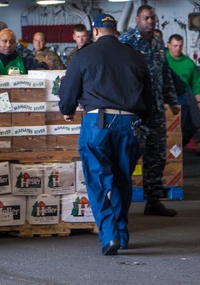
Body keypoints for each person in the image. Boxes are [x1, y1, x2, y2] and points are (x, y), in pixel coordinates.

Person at [59, 14, 153, 256]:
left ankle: (110, 236)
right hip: (130, 123)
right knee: (122, 179)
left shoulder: (83, 55)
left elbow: (68, 92)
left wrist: (67, 110)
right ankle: (122, 234)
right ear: (116, 30)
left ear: (95, 32)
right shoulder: (135, 56)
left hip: (97, 123)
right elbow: (149, 98)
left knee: (98, 180)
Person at [119, 5, 181, 217]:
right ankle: (121, 202)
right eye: (146, 18)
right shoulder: (126, 42)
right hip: (134, 108)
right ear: (137, 19)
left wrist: (172, 100)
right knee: (129, 153)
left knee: (156, 154)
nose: (150, 22)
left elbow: (164, 73)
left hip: (155, 107)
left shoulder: (157, 42)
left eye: (153, 18)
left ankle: (153, 200)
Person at [165, 33, 200, 146]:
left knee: (183, 130)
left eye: (180, 46)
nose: (177, 49)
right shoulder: (162, 59)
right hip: (164, 100)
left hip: (182, 100)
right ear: (168, 45)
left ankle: (175, 156)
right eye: (175, 45)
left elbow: (195, 83)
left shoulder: (189, 63)